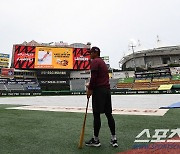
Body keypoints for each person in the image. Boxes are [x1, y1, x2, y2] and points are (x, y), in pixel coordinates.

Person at [85, 46, 118, 147]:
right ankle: (114, 138)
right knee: (109, 114)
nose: (90, 55)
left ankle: (96, 140)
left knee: (96, 115)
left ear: (95, 53)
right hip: (106, 90)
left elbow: (94, 78)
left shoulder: (95, 61)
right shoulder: (102, 62)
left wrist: (90, 89)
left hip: (99, 91)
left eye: (91, 53)